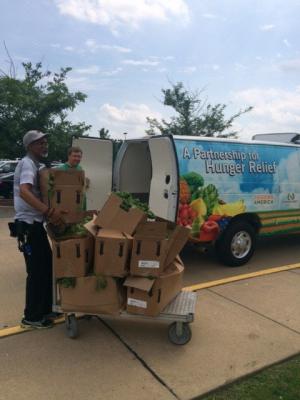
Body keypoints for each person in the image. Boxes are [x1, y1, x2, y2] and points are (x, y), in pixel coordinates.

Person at [13, 130, 66, 329]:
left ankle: (46, 308)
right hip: (28, 226)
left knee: (47, 266)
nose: (44, 146)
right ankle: (32, 316)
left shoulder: (37, 165)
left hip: (35, 224)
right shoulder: (27, 163)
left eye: (45, 142)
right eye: (39, 143)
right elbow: (25, 191)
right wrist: (48, 211)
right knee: (36, 271)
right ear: (29, 146)